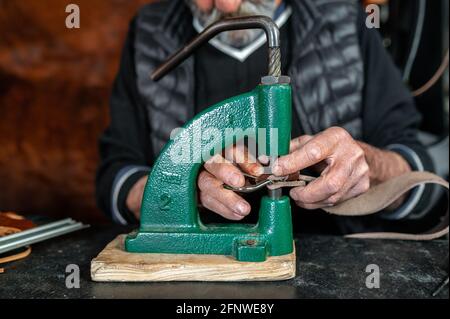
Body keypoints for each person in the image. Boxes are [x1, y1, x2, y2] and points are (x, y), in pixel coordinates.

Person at [96, 0, 434, 234]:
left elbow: (417, 169)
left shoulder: (343, 22)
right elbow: (115, 176)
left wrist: (367, 169)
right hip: (192, 270)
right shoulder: (150, 32)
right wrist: (182, 189)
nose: (227, 7)